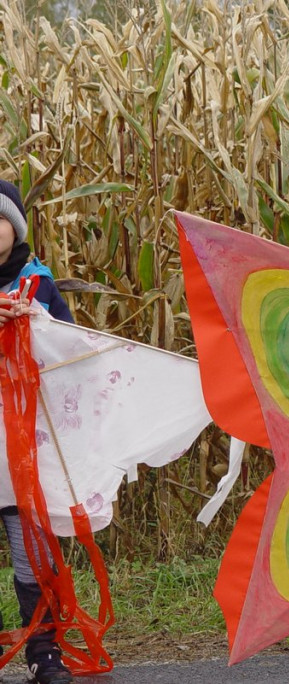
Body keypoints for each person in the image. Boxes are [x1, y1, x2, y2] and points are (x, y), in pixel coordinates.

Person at [0, 178, 74, 684]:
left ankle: (42, 650)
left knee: (31, 550)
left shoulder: (37, 282)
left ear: (15, 226)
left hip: (21, 444)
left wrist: (39, 324)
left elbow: (74, 351)